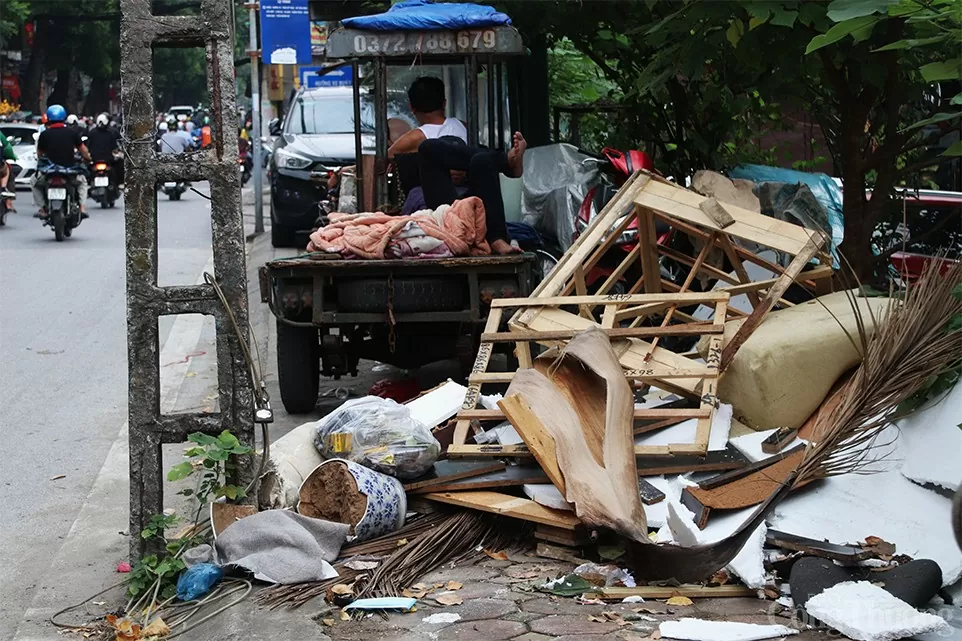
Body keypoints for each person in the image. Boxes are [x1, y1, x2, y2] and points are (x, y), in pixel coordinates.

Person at [389, 76, 525, 255]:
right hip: (449, 207)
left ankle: (497, 240)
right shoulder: (463, 126)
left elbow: (385, 160)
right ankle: (505, 161)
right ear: (444, 103)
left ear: (412, 108)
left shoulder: (413, 138)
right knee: (440, 149)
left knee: (478, 160)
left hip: (464, 202)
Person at [33, 104, 91, 218]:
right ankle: (82, 207)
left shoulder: (44, 134)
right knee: (82, 182)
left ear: (48, 118)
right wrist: (88, 159)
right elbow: (83, 150)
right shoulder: (72, 133)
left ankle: (43, 208)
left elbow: (40, 153)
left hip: (49, 172)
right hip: (69, 171)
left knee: (34, 183)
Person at [86, 113, 123, 184]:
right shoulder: (113, 131)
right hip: (109, 159)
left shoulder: (92, 132)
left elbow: (88, 145)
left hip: (97, 159)